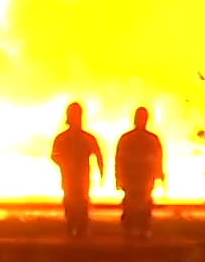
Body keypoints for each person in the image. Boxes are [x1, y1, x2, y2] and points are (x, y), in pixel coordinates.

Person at [51, 102, 105, 238]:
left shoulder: (86, 138)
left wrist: (101, 173)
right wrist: (65, 162)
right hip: (70, 178)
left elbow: (98, 155)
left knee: (81, 204)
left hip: (81, 179)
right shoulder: (62, 138)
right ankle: (72, 229)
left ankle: (80, 230)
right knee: (71, 204)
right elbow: (54, 156)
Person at [115, 107, 165, 239]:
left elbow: (158, 158)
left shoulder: (151, 139)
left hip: (145, 178)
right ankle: (130, 229)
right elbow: (120, 159)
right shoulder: (127, 139)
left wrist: (159, 174)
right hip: (131, 178)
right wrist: (119, 177)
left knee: (144, 204)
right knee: (131, 204)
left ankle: (143, 228)